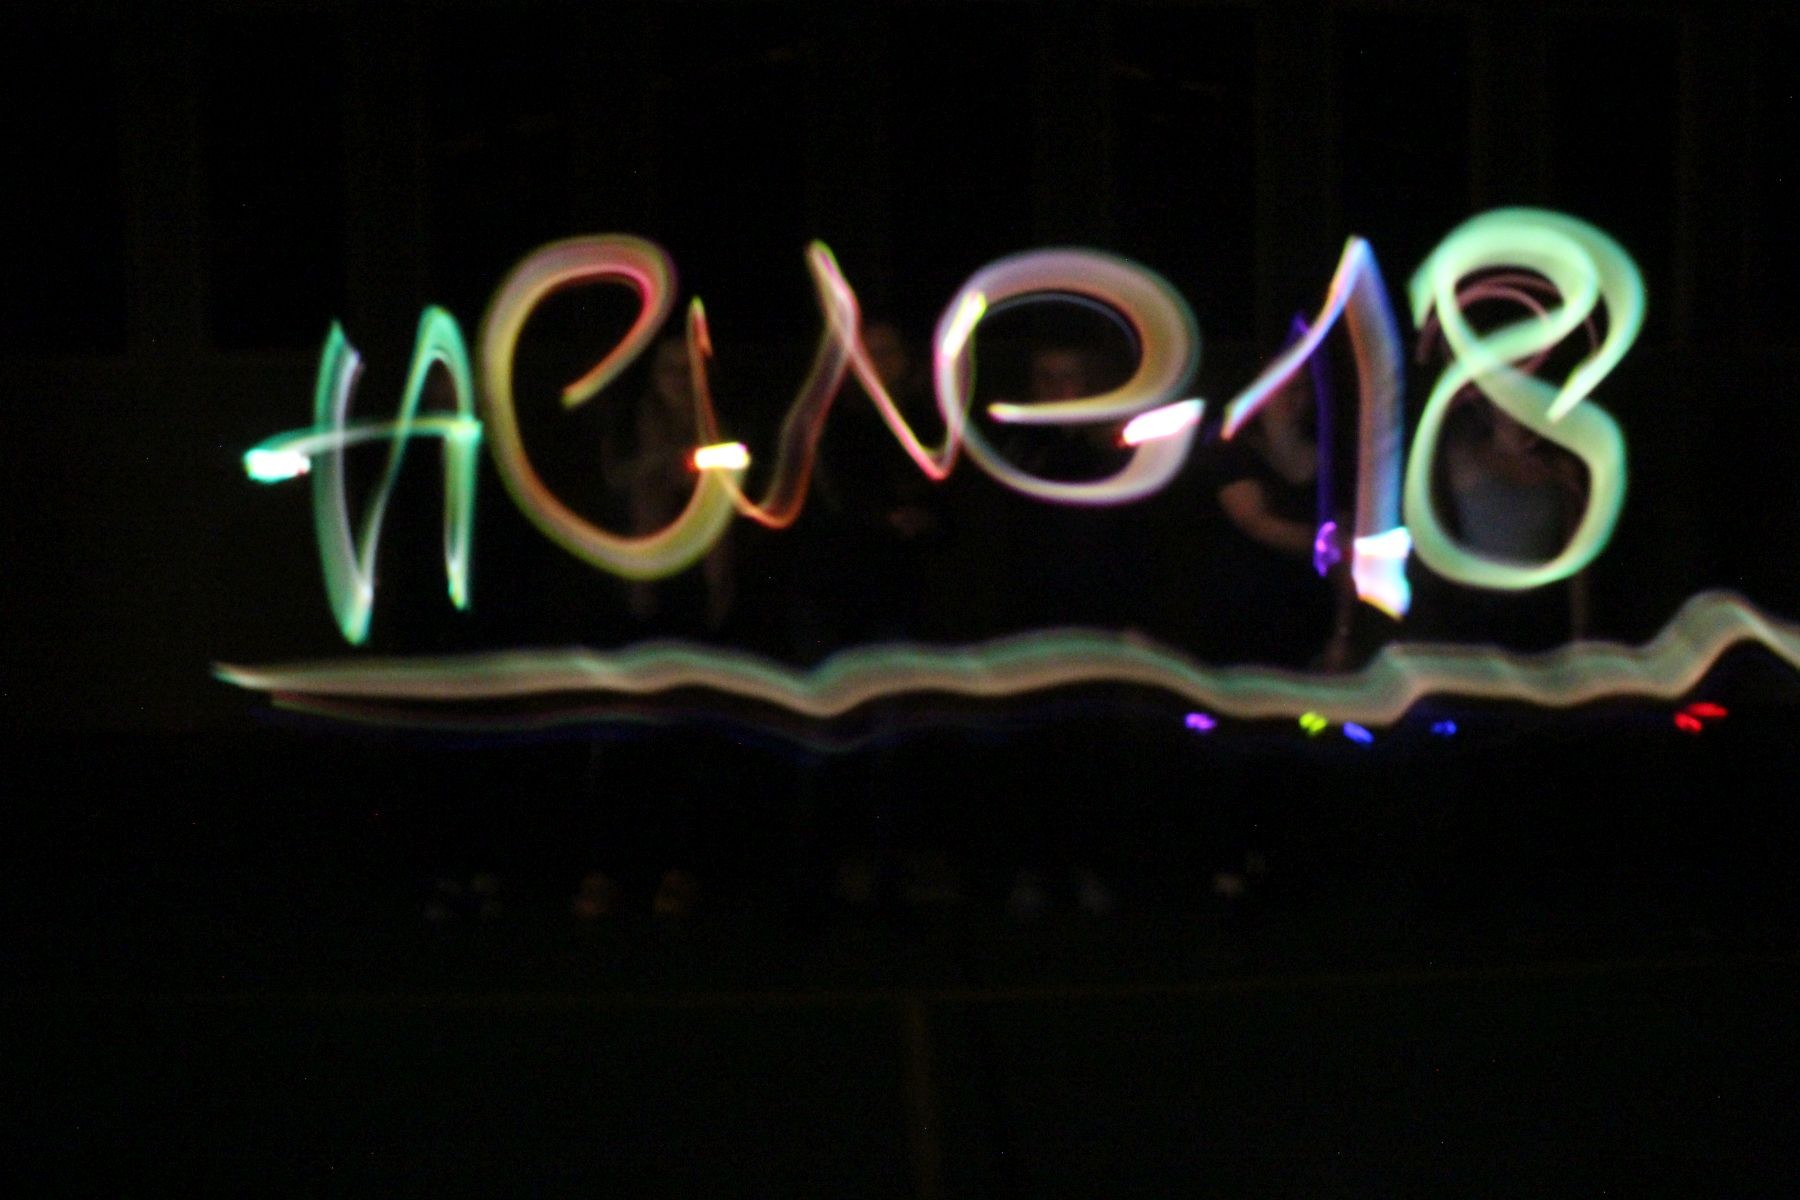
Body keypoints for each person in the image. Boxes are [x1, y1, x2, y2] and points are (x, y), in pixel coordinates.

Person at [1208, 370, 1357, 669]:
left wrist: (1342, 634)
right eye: (1280, 387)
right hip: (1243, 617)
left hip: (1311, 618)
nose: (1289, 398)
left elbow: (1344, 563)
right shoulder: (1234, 452)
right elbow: (1255, 523)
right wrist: (1328, 545)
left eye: (1300, 388)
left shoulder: (1332, 461)